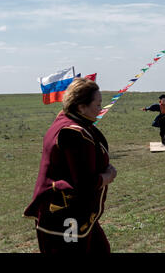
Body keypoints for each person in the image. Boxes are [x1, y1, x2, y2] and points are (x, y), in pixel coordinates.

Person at [23, 78, 117, 254]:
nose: (101, 109)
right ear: (81, 107)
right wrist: (107, 177)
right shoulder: (72, 133)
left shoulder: (66, 120)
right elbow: (83, 183)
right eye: (97, 104)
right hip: (64, 214)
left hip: (77, 214)